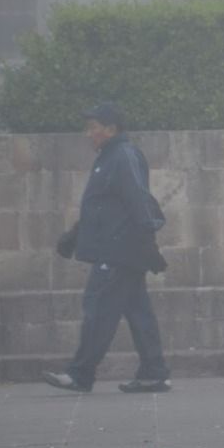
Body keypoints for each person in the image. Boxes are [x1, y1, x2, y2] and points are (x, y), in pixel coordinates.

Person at [44, 102, 171, 394]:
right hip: (119, 249)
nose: (88, 134)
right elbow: (102, 207)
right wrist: (74, 236)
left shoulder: (122, 156)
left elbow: (138, 199)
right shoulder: (108, 157)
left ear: (111, 129)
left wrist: (148, 240)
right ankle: (154, 373)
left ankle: (80, 374)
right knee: (138, 312)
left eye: (93, 128)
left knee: (98, 308)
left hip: (118, 251)